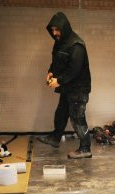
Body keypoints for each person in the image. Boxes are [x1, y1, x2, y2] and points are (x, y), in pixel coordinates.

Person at [38, 12, 92, 159]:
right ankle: (55, 138)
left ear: (65, 28)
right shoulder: (60, 41)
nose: (54, 33)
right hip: (67, 87)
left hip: (78, 89)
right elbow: (57, 61)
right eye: (53, 29)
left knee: (77, 118)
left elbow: (74, 70)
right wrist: (51, 72)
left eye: (57, 29)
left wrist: (59, 81)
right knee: (61, 112)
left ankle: (85, 148)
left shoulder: (76, 45)